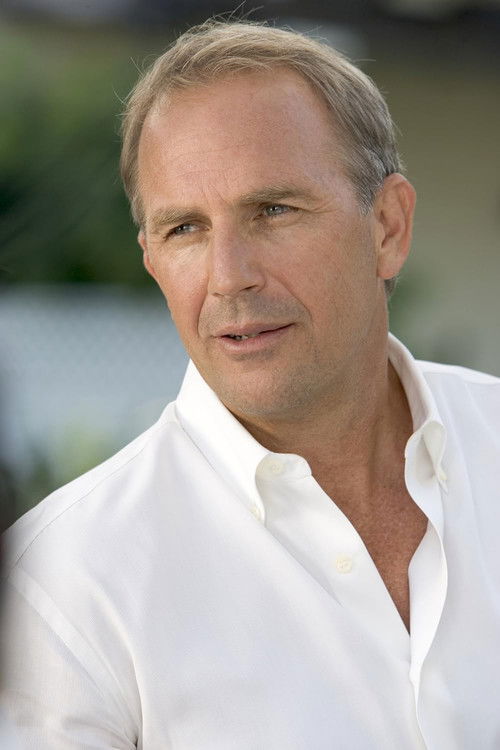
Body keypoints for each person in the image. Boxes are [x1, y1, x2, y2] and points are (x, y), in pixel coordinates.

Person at [1, 19, 499, 750]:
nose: (229, 276)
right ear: (151, 259)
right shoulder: (58, 587)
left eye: (273, 211)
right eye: (185, 229)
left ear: (388, 227)